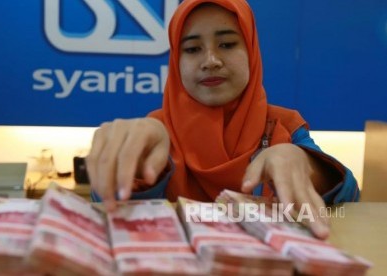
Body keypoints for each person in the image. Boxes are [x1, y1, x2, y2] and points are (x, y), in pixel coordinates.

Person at [85, 0, 360, 239]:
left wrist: (304, 163)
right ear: (175, 61)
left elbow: (349, 196)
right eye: (192, 49)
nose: (211, 60)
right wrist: (128, 165)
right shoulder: (154, 132)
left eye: (227, 44)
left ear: (251, 52)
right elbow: (111, 206)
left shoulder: (283, 125)